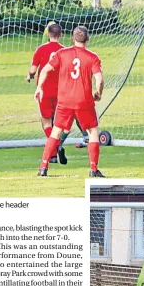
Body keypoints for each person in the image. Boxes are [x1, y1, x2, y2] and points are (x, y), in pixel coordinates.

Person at [34, 26, 104, 177]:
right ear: (88, 39)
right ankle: (93, 169)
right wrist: (98, 92)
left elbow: (45, 69)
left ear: (72, 39)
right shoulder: (92, 57)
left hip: (64, 101)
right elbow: (99, 78)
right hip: (84, 101)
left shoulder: (62, 53)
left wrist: (39, 87)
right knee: (93, 132)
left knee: (56, 131)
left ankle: (43, 167)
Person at [27, 23, 67, 164]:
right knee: (57, 123)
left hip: (44, 90)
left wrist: (29, 76)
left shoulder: (41, 49)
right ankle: (55, 153)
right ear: (61, 35)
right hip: (61, 91)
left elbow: (33, 70)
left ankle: (55, 149)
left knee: (46, 122)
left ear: (48, 34)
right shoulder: (65, 51)